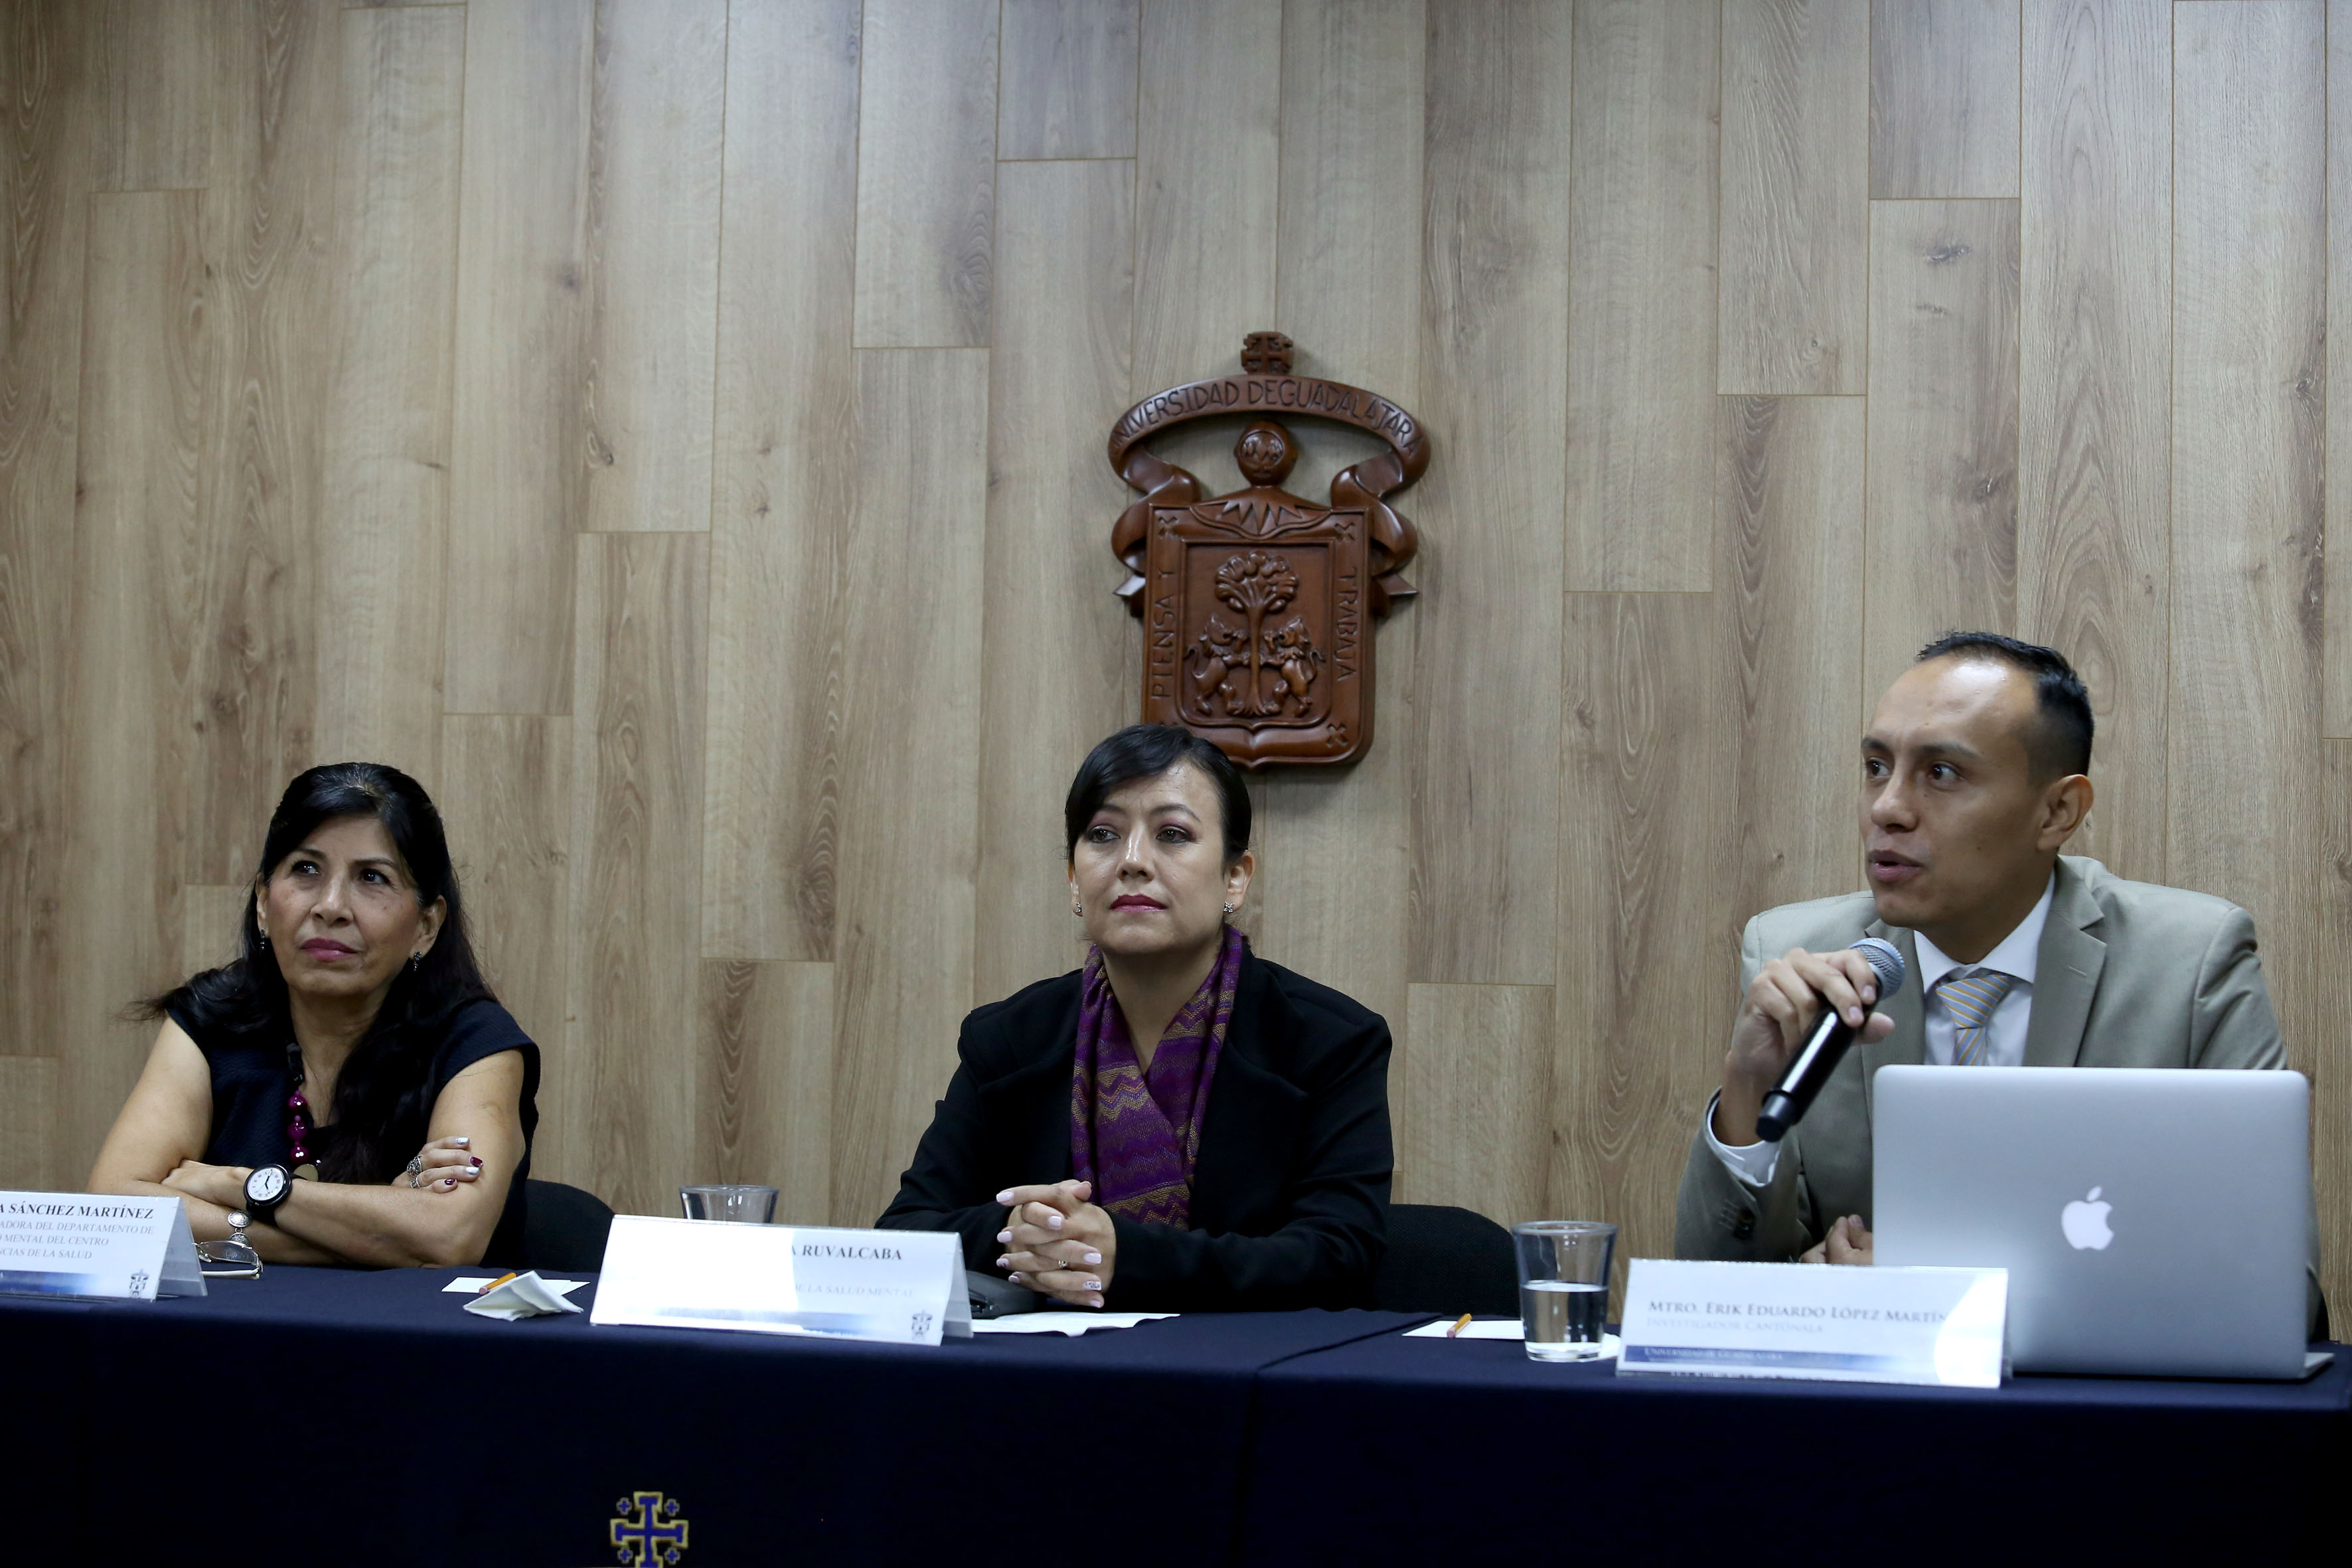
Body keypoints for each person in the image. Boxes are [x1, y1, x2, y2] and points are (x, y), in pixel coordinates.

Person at [1676, 633, 2321, 1314]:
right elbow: (1713, 1300)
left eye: (1942, 773)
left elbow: (2285, 1296)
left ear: (2057, 812)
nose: (1886, 808)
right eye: (1875, 765)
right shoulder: (1801, 958)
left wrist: (1937, 1302)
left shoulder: (2191, 966)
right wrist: (1747, 1093)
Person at [878, 724, 1393, 1310]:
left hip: (1252, 1378)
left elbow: (1340, 1254)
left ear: (1235, 876)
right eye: (1103, 835)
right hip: (1044, 1379)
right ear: (1074, 879)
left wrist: (1127, 1257)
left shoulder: (1328, 1040)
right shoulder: (1008, 1038)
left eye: (1173, 835)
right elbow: (903, 1237)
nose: (1131, 862)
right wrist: (1023, 1227)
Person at [90, 763, 540, 1269]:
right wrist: (372, 1237)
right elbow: (116, 1208)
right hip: (222, 1338)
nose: (331, 906)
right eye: (306, 869)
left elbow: (448, 1236)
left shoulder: (477, 1043)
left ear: (427, 926)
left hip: (419, 1342)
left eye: (372, 877)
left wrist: (232, 1186)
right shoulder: (211, 1020)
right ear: (263, 901)